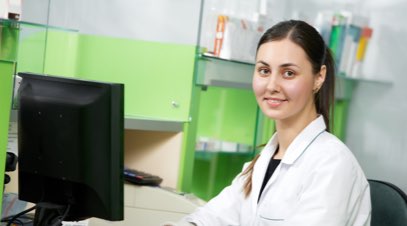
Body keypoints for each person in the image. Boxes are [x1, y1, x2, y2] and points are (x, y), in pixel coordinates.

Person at [168, 19, 371, 226]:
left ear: (319, 77)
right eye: (264, 71)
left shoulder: (332, 165)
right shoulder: (262, 162)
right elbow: (209, 218)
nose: (272, 85)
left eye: (288, 73)